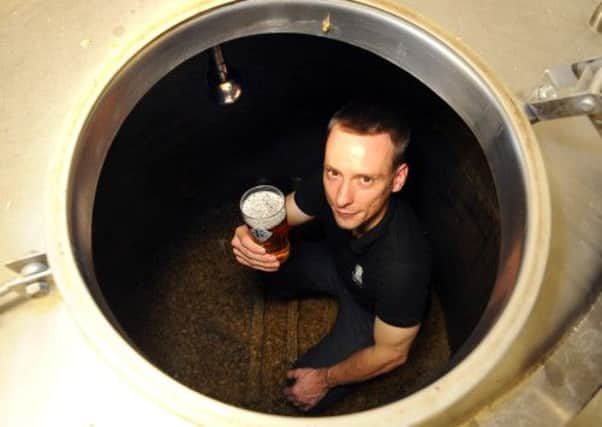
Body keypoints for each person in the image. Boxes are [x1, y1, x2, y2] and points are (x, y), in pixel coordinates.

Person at [231, 100, 431, 413]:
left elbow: (392, 353)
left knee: (296, 390)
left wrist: (325, 378)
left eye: (365, 179)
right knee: (270, 270)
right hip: (336, 263)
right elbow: (283, 214)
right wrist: (250, 233)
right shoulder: (331, 187)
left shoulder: (404, 266)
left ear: (397, 178)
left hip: (370, 309)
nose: (341, 198)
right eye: (333, 172)